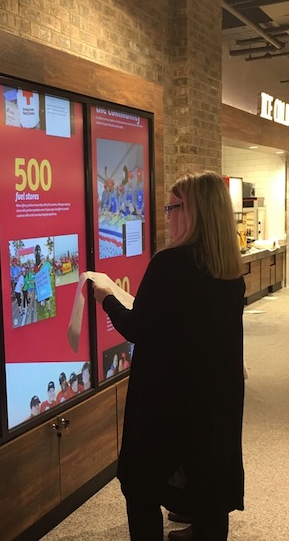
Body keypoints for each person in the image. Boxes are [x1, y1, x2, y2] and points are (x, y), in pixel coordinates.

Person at [92, 171, 245, 541]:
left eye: (171, 207)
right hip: (216, 397)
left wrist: (107, 297)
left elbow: (138, 328)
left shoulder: (170, 264)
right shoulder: (229, 270)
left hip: (166, 397)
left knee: (141, 486)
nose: (167, 215)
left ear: (190, 212)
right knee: (209, 486)